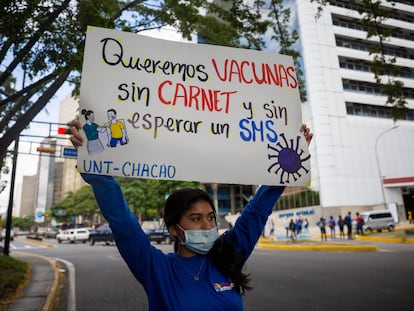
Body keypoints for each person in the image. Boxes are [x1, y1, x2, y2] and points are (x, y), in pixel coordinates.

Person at [70, 120, 312, 311]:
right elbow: (122, 221)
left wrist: (290, 161)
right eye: (195, 218)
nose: (208, 225)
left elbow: (257, 212)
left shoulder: (229, 256)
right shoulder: (157, 269)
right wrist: (96, 169)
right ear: (175, 228)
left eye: (211, 217)